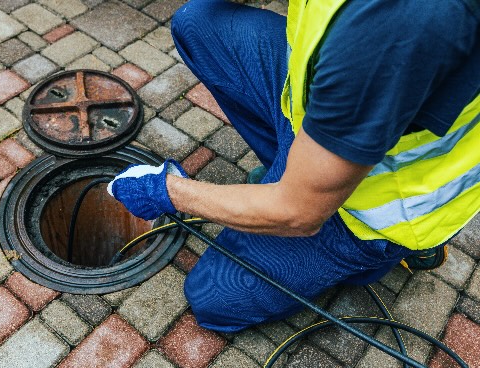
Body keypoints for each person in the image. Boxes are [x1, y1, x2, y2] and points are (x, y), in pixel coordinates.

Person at [108, 0, 480, 333]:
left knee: (213, 299)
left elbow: (297, 213)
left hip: (370, 209)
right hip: (329, 110)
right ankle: (300, 174)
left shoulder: (396, 24)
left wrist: (166, 190)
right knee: (199, 22)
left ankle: (378, 260)